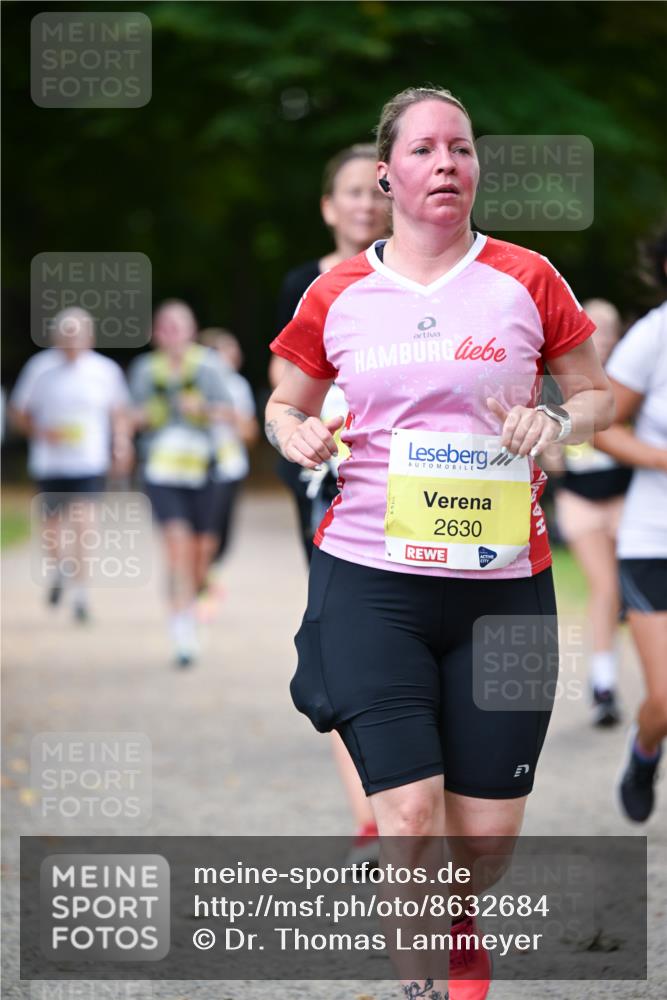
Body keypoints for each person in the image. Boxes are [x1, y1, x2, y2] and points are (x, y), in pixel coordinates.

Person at [266, 86, 614, 1000]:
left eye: (459, 148)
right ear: (388, 172)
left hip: (502, 588)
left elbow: (594, 394)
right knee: (410, 817)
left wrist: (557, 426)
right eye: (423, 150)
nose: (445, 164)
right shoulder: (335, 291)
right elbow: (284, 400)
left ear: (475, 168)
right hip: (370, 580)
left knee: (485, 842)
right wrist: (289, 433)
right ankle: (422, 986)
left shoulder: (527, 278)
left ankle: (457, 916)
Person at [270, 143, 391, 866]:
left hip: (408, 480)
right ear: (328, 206)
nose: (365, 204)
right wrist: (304, 442)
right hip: (327, 481)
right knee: (349, 645)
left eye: (376, 190)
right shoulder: (302, 284)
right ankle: (371, 818)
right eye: (350, 191)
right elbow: (284, 385)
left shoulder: (420, 280)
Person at [594, 230, 667, 823]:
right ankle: (646, 752)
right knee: (665, 701)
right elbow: (603, 426)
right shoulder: (652, 337)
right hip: (656, 540)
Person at [9, 307, 132, 621]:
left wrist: (120, 442)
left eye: (77, 334)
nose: (72, 340)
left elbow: (119, 412)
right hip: (50, 463)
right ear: (56, 336)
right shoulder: (39, 368)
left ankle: (81, 595)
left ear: (89, 337)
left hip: (89, 461)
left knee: (83, 525)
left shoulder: (104, 371)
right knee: (51, 530)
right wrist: (41, 432)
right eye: (66, 334)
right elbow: (19, 412)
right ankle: (61, 569)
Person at [128, 300, 232, 667]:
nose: (172, 333)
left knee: (202, 553)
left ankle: (199, 595)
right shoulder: (144, 370)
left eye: (179, 326)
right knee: (176, 548)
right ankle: (181, 631)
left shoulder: (209, 366)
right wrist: (143, 419)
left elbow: (234, 415)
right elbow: (131, 416)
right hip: (161, 471)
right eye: (165, 327)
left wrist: (202, 410)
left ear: (191, 330)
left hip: (204, 470)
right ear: (156, 333)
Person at [548, 300, 631, 725]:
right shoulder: (562, 382)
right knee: (606, 588)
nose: (603, 336)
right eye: (595, 327)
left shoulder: (633, 381)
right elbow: (550, 455)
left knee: (630, 592)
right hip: (580, 500)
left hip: (628, 499)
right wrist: (552, 449)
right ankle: (604, 684)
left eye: (611, 328)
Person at [198, 328, 259, 612]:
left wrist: (224, 413)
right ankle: (201, 583)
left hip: (231, 467)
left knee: (223, 537)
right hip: (199, 468)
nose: (235, 356)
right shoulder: (193, 382)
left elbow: (249, 432)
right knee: (204, 531)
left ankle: (208, 574)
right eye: (227, 350)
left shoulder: (237, 386)